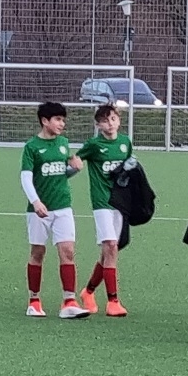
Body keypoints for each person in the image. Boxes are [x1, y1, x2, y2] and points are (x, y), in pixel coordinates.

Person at [20, 101, 90, 318]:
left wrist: (74, 169)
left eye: (63, 120)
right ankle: (34, 301)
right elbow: (25, 177)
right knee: (38, 252)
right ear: (45, 121)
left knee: (67, 251)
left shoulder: (63, 143)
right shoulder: (32, 147)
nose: (62, 124)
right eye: (58, 119)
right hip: (39, 210)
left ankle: (69, 302)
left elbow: (61, 173)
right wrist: (35, 201)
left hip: (63, 206)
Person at [76, 104, 132, 317]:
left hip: (120, 203)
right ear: (98, 125)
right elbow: (76, 159)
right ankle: (113, 301)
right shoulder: (93, 145)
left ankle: (88, 291)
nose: (110, 124)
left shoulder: (125, 143)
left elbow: (130, 168)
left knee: (109, 252)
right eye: (105, 121)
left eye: (113, 119)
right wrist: (73, 165)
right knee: (110, 246)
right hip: (102, 203)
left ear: (119, 121)